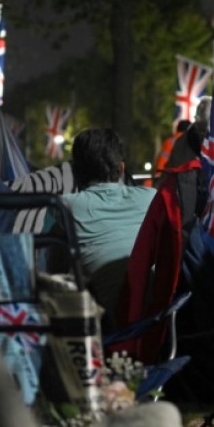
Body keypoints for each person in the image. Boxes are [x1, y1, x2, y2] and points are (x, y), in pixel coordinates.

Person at [52, 128, 156, 331]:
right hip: (159, 321)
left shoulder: (64, 207)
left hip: (107, 327)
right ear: (122, 168)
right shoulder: (150, 198)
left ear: (75, 172)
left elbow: (53, 272)